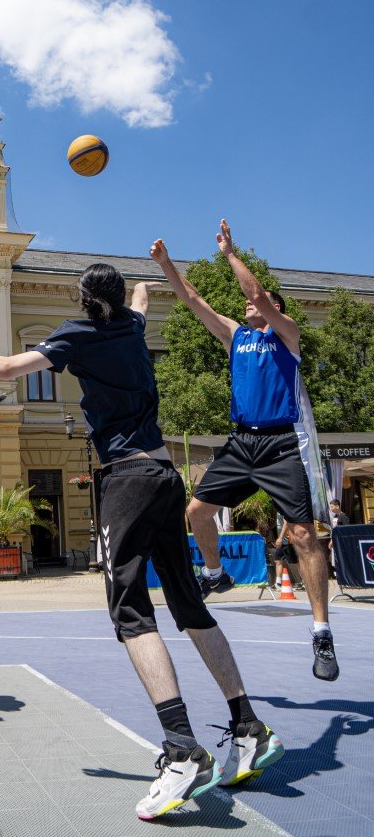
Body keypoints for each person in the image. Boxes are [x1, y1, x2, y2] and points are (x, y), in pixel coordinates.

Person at [0, 262, 284, 820]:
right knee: (188, 604)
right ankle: (246, 724)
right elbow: (140, 300)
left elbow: (11, 367)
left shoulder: (78, 333)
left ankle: (181, 747)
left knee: (131, 614)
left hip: (127, 479)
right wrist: (144, 279)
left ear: (83, 299)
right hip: (163, 475)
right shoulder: (131, 328)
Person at [151, 223, 339, 682]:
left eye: (259, 300)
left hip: (279, 443)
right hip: (241, 441)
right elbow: (194, 301)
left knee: (301, 536)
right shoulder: (237, 335)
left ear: (275, 308)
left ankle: (320, 632)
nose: (249, 302)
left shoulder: (287, 336)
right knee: (195, 513)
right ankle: (215, 573)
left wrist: (230, 254)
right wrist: (167, 266)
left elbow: (253, 287)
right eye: (249, 302)